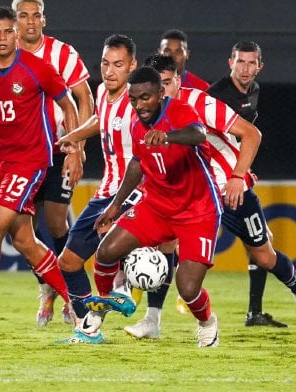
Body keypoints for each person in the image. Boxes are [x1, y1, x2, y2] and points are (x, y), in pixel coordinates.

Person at [123, 55, 296, 339]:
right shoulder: (147, 113)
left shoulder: (200, 104)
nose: (162, 91)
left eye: (168, 82)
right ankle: (152, 320)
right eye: (158, 85)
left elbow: (251, 134)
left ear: (179, 79)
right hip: (192, 197)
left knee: (264, 256)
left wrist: (238, 178)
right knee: (165, 246)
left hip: (229, 191)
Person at [0, 0, 93, 327]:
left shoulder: (51, 60)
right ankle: (79, 305)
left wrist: (75, 148)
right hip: (0, 163)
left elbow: (75, 100)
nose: (6, 35)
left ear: (40, 20)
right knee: (24, 240)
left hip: (37, 158)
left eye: (32, 16)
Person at [74, 66, 225, 347]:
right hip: (156, 205)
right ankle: (102, 308)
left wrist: (167, 136)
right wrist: (115, 206)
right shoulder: (136, 123)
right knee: (106, 252)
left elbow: (198, 134)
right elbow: (137, 163)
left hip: (198, 210)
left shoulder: (179, 112)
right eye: (133, 99)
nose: (139, 105)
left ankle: (207, 322)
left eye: (145, 98)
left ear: (159, 93)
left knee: (189, 288)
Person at [49, 34, 138, 343]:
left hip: (134, 193)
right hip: (105, 192)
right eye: (105, 63)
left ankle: (123, 288)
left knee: (111, 250)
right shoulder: (102, 92)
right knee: (69, 262)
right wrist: (74, 136)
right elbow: (102, 119)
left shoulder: (139, 101)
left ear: (132, 66)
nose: (110, 71)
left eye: (118, 65)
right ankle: (90, 326)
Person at [206, 40, 290, 327]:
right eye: (240, 62)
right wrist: (234, 175)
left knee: (258, 242)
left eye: (251, 63)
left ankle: (254, 312)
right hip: (213, 180)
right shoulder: (216, 95)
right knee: (180, 241)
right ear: (230, 62)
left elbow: (242, 137)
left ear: (260, 66)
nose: (245, 68)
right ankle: (149, 306)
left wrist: (239, 172)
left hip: (234, 177)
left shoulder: (253, 91)